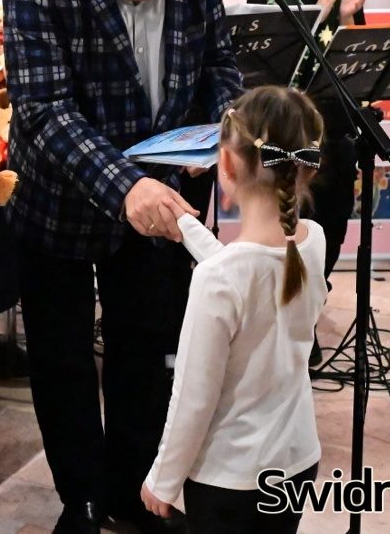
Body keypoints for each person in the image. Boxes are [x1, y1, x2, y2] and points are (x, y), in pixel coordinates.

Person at [4, 0, 244, 534]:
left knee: (145, 347)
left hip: (163, 197)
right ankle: (80, 497)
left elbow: (217, 62)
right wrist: (124, 185)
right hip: (59, 199)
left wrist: (225, 130)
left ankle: (134, 490)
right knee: (62, 357)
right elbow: (45, 113)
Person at [140, 85, 326, 534]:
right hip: (297, 462)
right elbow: (252, 274)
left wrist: (163, 480)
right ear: (304, 167)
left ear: (224, 164)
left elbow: (193, 397)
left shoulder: (219, 279)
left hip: (231, 481)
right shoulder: (313, 241)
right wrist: (188, 228)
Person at [245, 0, 370, 322]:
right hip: (284, 113)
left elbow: (357, 52)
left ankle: (315, 296)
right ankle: (284, 306)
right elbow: (260, 49)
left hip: (333, 111)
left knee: (334, 213)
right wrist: (321, 11)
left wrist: (347, 16)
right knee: (285, 213)